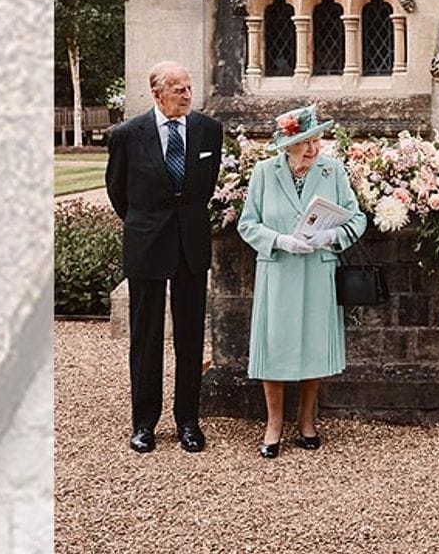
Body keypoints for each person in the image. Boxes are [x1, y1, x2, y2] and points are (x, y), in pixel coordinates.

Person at [103, 61, 223, 454]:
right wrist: (147, 224)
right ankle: (144, 423)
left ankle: (188, 421)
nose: (188, 95)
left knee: (190, 339)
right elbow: (118, 191)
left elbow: (204, 189)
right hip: (146, 244)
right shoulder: (126, 135)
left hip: (191, 245)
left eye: (189, 88)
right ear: (157, 94)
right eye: (179, 90)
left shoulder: (209, 130)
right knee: (147, 337)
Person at [234, 104, 367, 458]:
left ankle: (306, 420)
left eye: (317, 139)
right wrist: (279, 241)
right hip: (278, 268)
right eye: (306, 142)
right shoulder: (264, 172)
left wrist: (330, 237)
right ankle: (274, 423)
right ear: (287, 145)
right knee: (274, 345)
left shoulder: (332, 170)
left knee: (312, 344)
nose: (314, 148)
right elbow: (247, 224)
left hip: (316, 268)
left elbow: (357, 220)